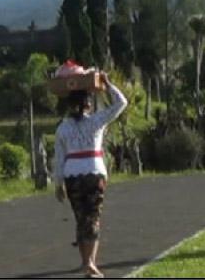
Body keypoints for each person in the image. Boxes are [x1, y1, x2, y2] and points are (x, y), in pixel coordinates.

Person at [54, 68, 127, 279]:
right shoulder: (96, 122)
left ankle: (86, 262)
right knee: (93, 218)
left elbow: (59, 158)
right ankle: (90, 264)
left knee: (80, 218)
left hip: (72, 176)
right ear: (88, 104)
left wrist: (58, 184)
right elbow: (121, 103)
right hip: (94, 174)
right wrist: (107, 84)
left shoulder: (63, 128)